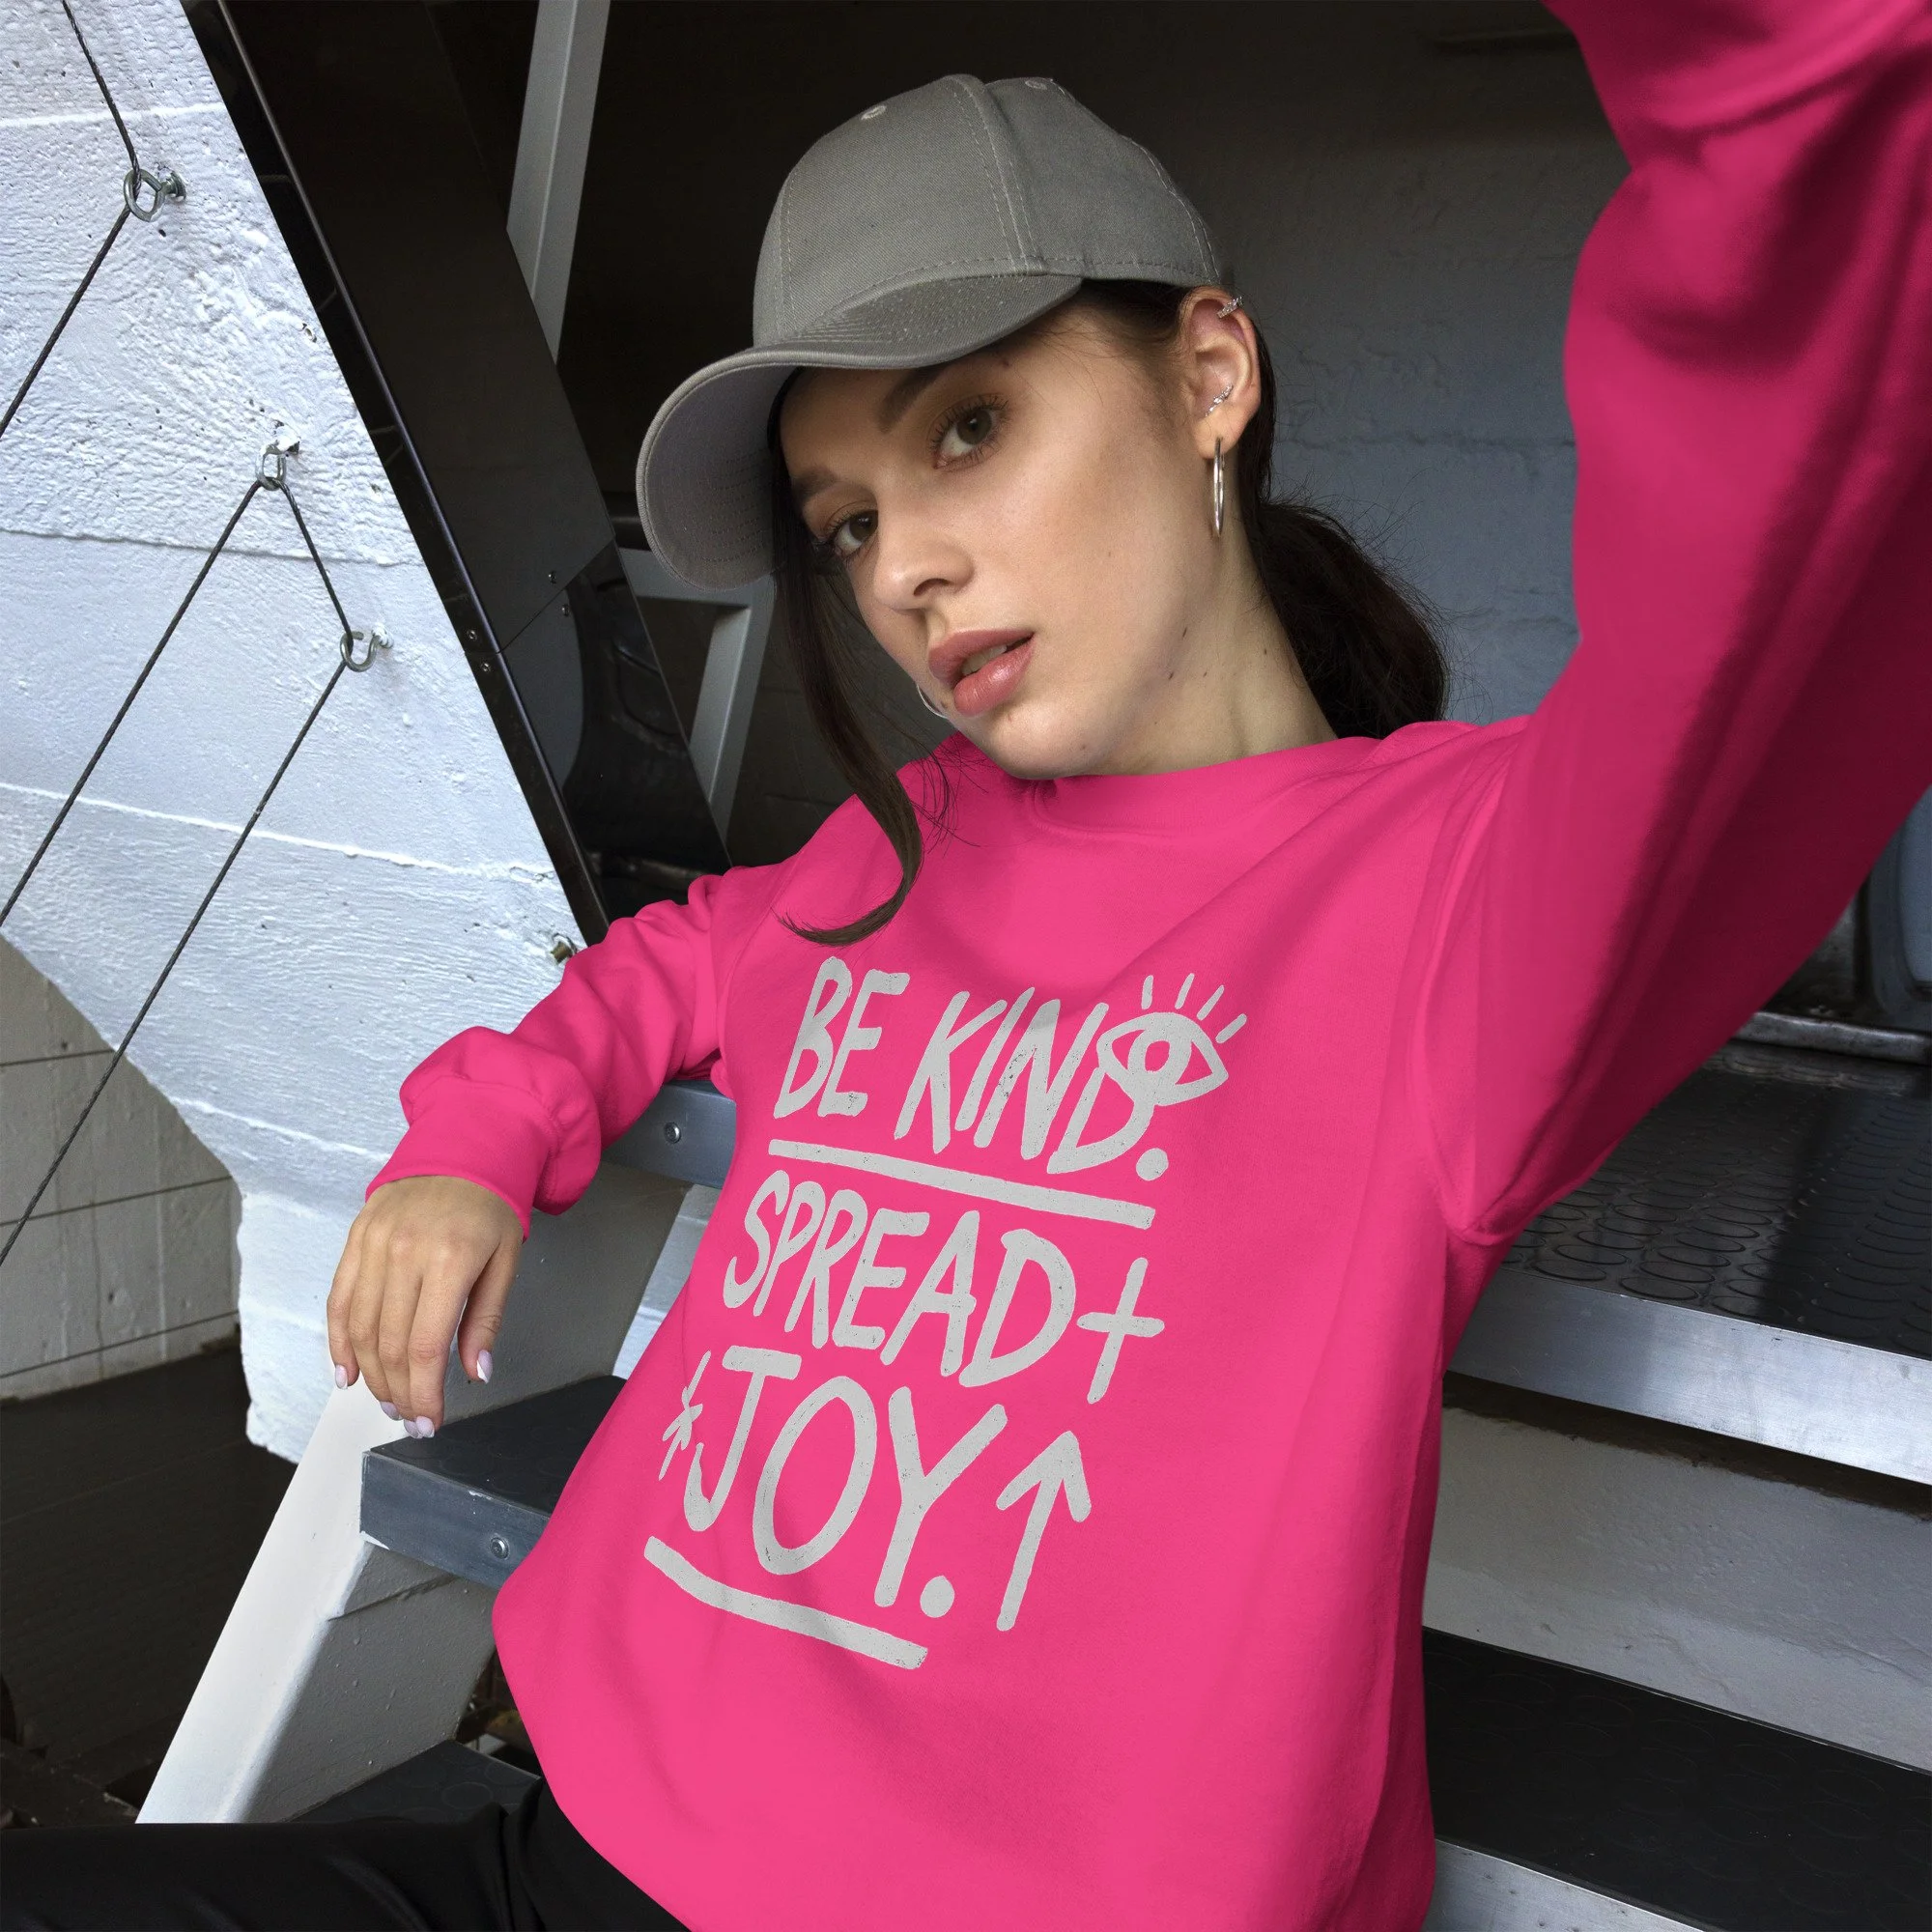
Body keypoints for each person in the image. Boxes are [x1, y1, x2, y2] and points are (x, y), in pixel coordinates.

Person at [8, 0, 1928, 1925]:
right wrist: (470, 1142)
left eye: (970, 428)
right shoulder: (896, 846)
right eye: (847, 520)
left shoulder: (1460, 898)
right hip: (579, 1848)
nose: (901, 568)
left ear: (1208, 376)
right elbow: (667, 961)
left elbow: (1794, 441)